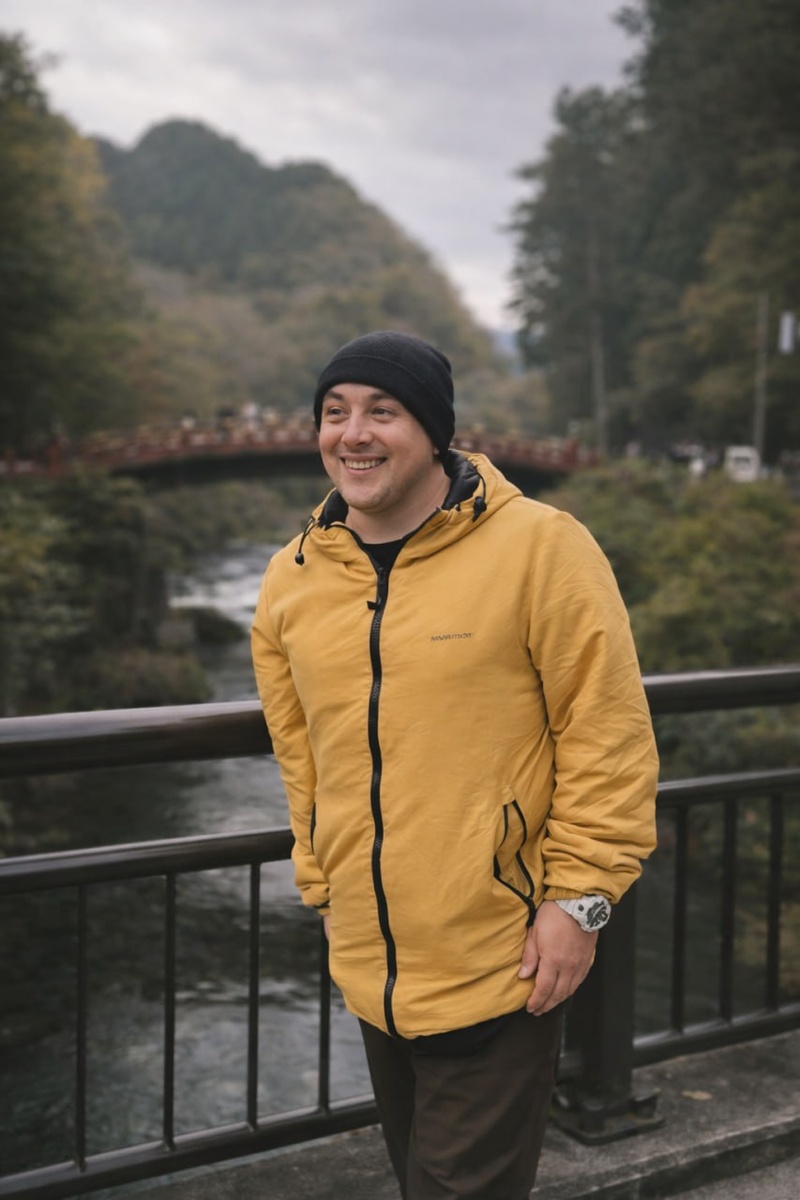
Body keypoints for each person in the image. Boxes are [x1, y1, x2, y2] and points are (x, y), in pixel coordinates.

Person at [251, 330, 659, 1200]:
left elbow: (607, 734)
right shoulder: (293, 577)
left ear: (434, 431)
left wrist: (580, 902)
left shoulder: (541, 547)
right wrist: (323, 883)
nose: (353, 433)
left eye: (383, 411)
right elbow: (301, 756)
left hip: (503, 958)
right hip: (371, 962)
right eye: (334, 412)